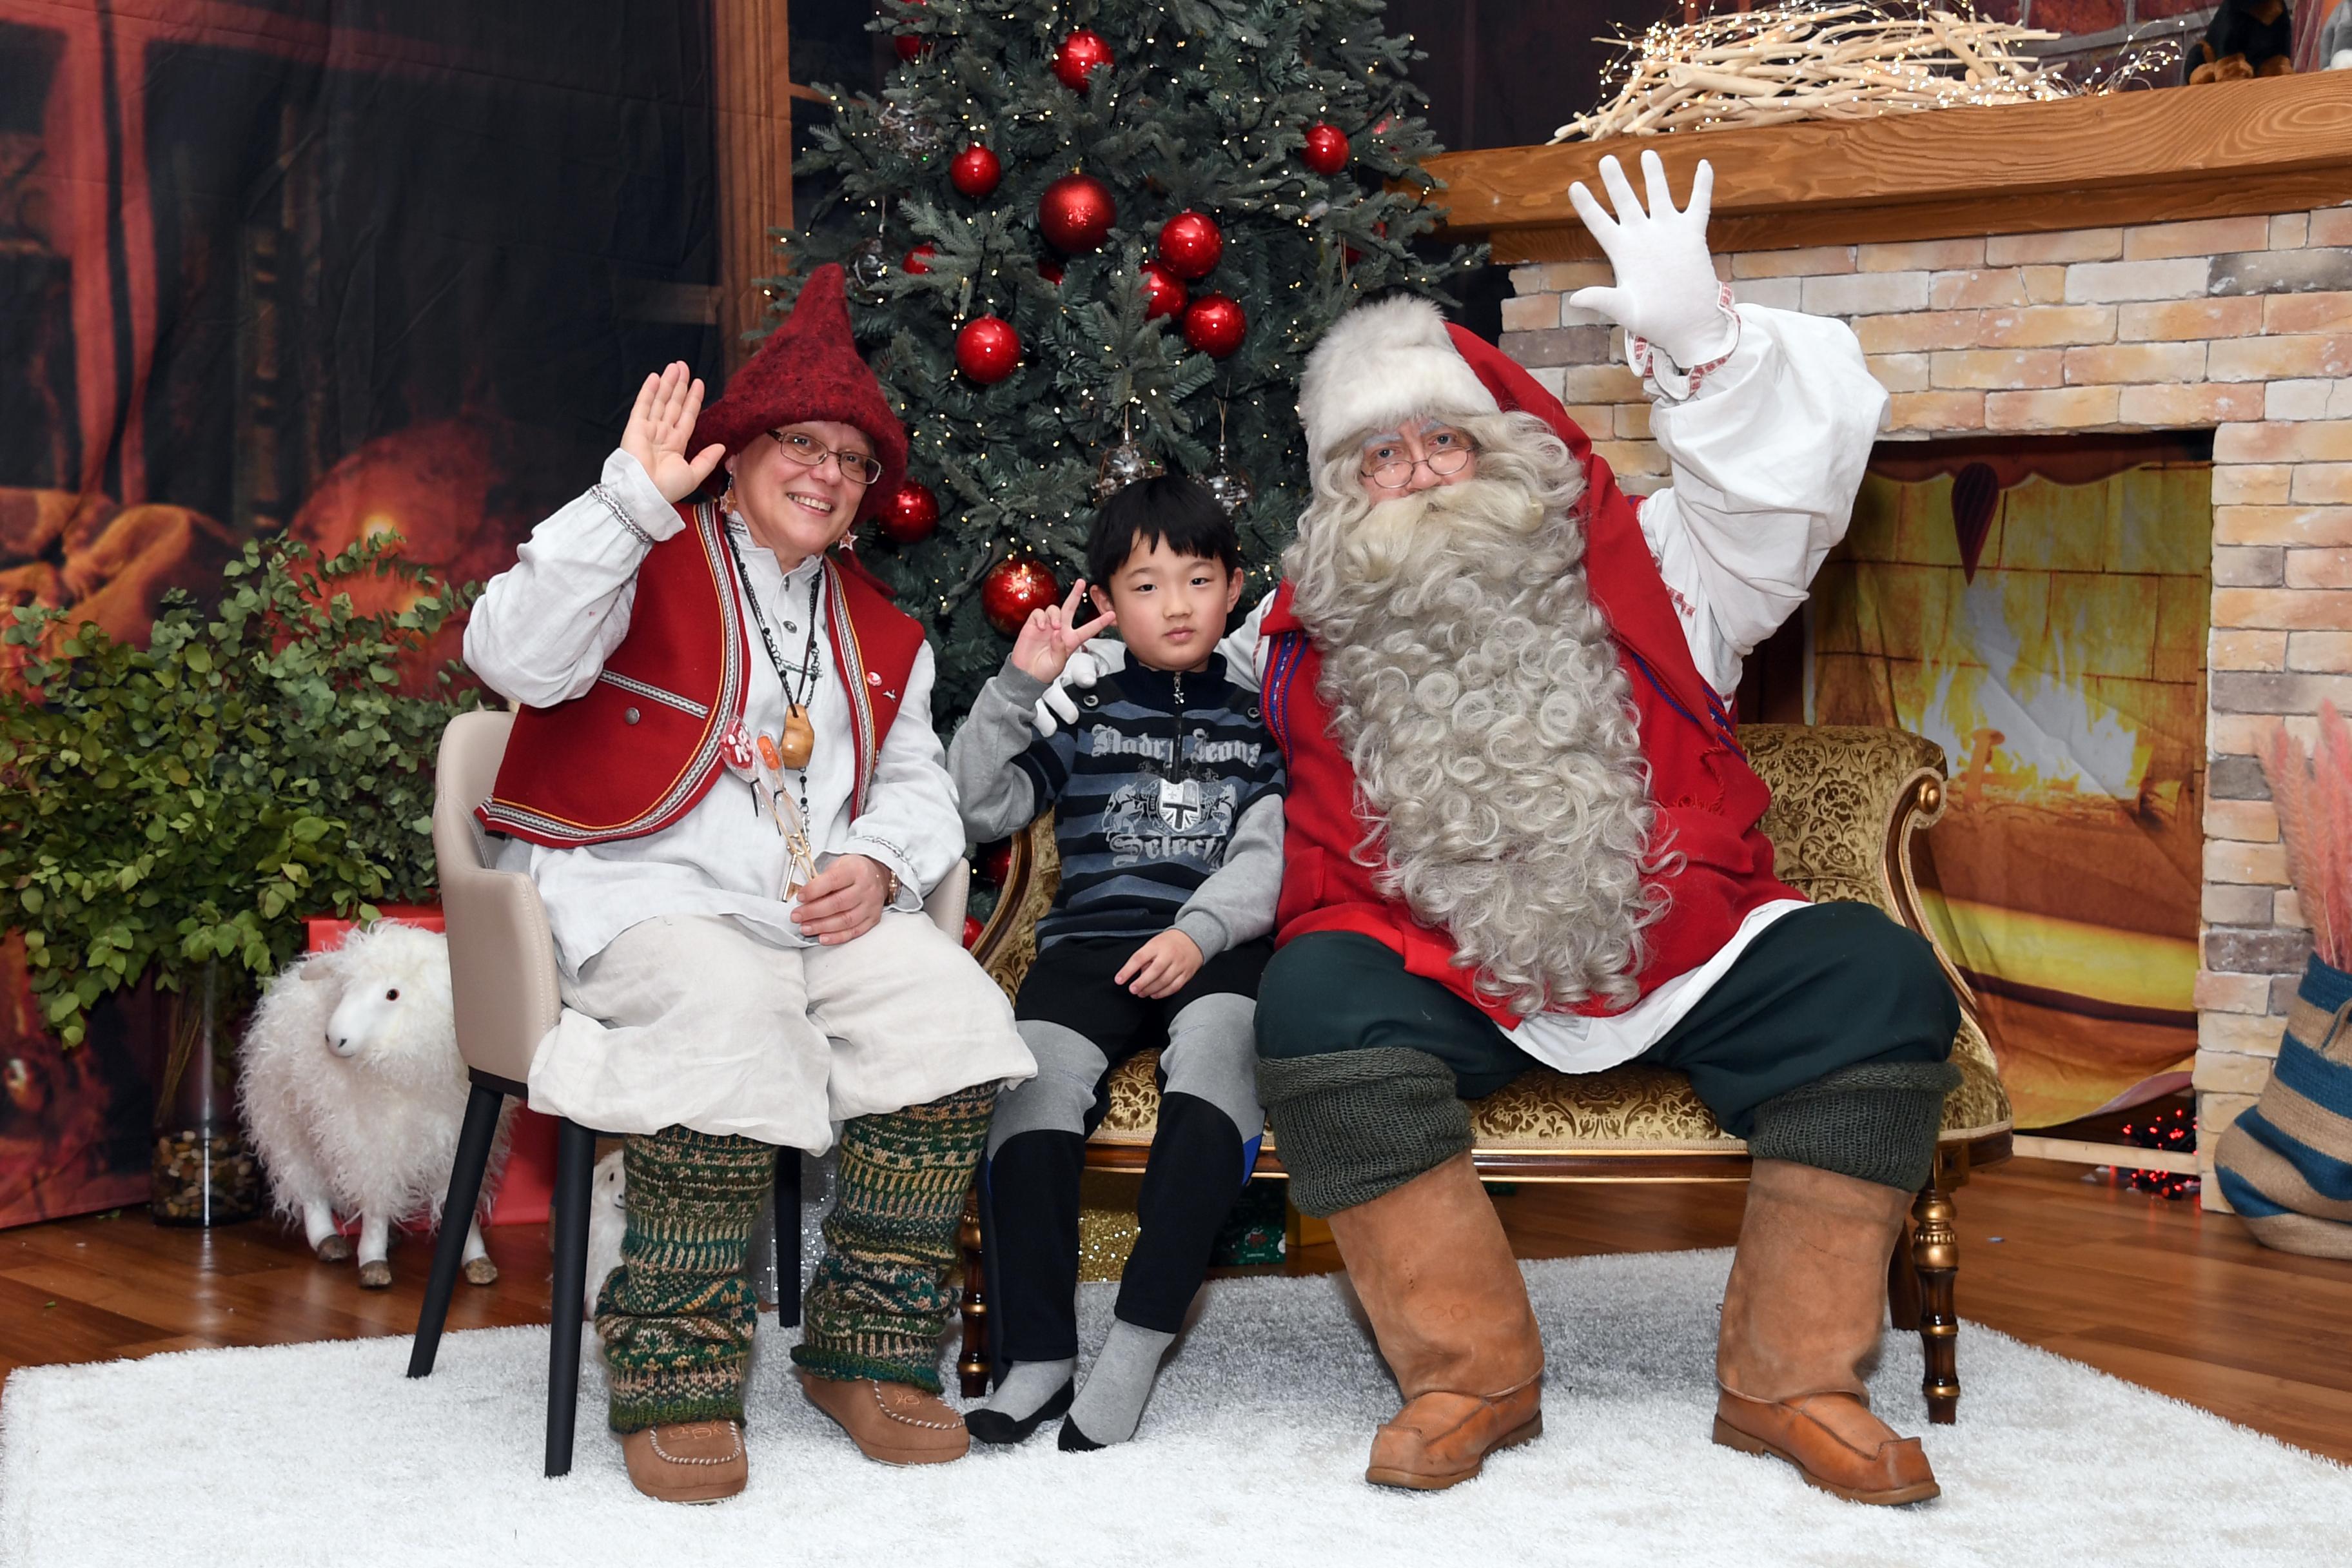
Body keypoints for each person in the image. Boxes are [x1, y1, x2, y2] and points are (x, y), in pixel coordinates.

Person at [1039, 152, 1959, 1504]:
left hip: (1669, 943)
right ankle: (1467, 1371)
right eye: (1382, 456)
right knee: (1312, 997)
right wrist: (1044, 681)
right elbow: (1145, 668)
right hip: (1439, 963)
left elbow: (1781, 508)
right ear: (1344, 497)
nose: (1418, 472)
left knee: (1876, 979)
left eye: (1443, 439)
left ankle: (1795, 1378)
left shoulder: (1661, 567)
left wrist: (1707, 350)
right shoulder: (1296, 642)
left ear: (1499, 448)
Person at [462, 264, 1034, 1503]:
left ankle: (869, 1349)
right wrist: (625, 507)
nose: (826, 473)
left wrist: (877, 860)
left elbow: (921, 787)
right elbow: (507, 653)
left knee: (955, 1016)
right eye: (799, 443)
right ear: (734, 453)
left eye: (851, 460)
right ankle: (673, 1365)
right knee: (728, 1010)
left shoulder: (886, 633)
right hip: (636, 895)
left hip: (806, 912)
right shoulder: (639, 553)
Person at [947, 476, 1285, 1451]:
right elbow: (977, 808)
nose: (1176, 605)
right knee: (1029, 1086)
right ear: (1105, 600)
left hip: (1216, 948)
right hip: (1092, 946)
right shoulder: (1083, 712)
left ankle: (1137, 1345)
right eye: (1145, 585)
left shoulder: (1261, 714)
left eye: (1198, 579)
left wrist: (1201, 934)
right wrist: (1019, 687)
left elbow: (1270, 854)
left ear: (1233, 590)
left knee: (1224, 1061)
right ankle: (1040, 1354)